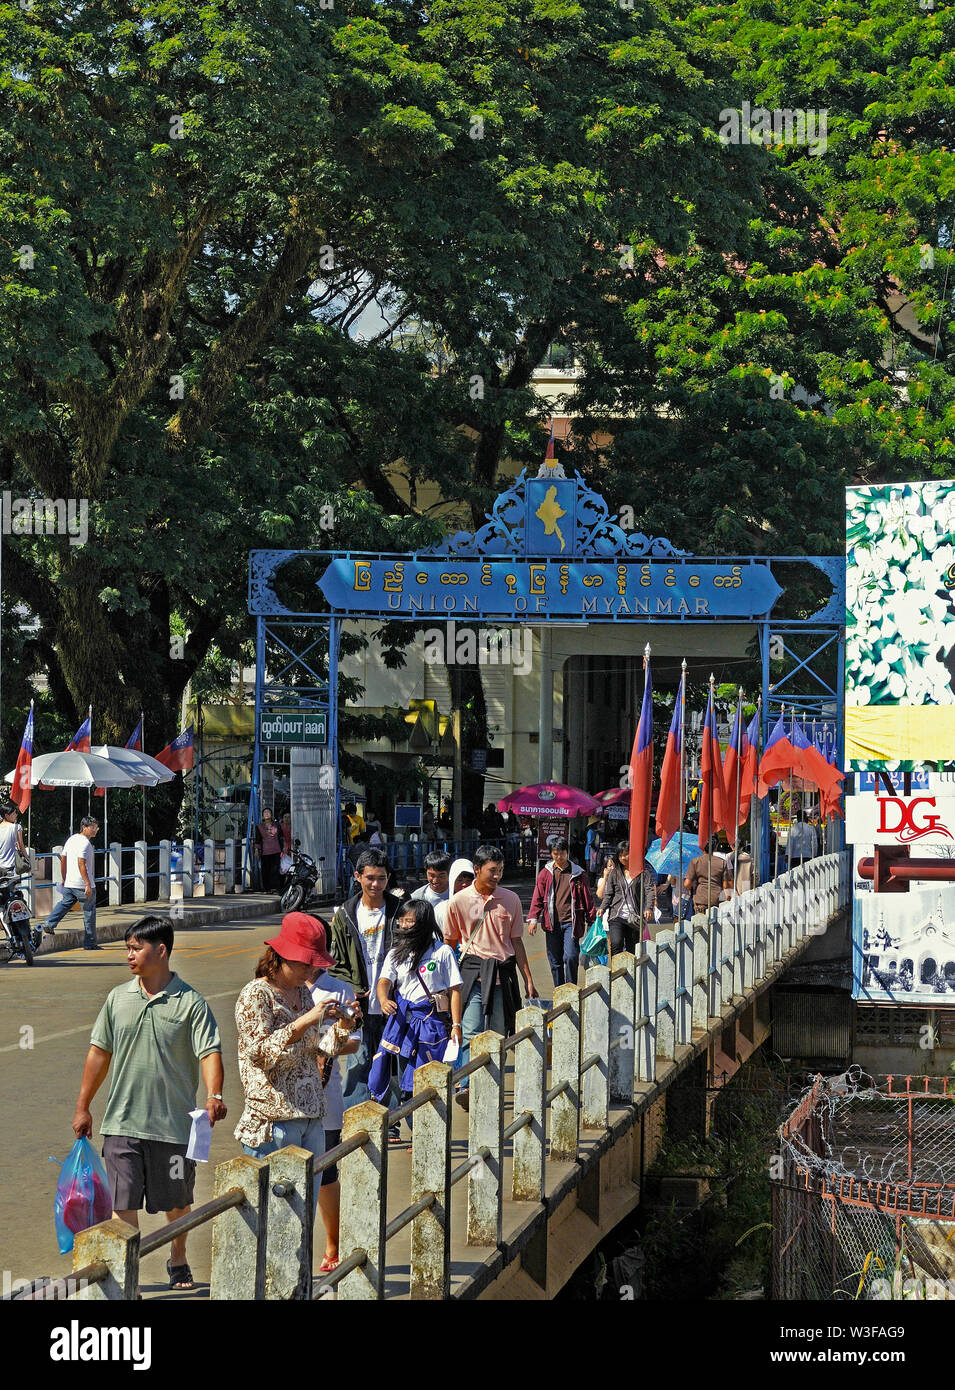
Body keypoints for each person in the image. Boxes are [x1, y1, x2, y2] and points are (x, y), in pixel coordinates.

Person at [71, 915, 227, 1290]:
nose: (129, 955)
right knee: (123, 1205)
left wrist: (214, 1094)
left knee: (176, 1200)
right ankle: (129, 1276)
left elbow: (210, 1053)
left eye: (136, 948)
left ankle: (177, 1258)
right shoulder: (117, 998)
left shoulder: (191, 1003)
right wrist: (83, 1106)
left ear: (161, 950)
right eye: (127, 948)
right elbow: (98, 1054)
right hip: (121, 1124)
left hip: (172, 1126)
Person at [234, 914, 354, 1223]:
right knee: (273, 1218)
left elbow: (318, 1049)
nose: (311, 970)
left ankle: (299, 1273)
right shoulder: (256, 995)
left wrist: (342, 1027)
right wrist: (303, 1022)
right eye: (304, 964)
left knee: (302, 1218)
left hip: (311, 1115)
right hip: (274, 1121)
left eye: (315, 964)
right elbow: (260, 1055)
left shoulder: (302, 992)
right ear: (280, 957)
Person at [444, 845, 538, 1108]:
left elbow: (516, 941)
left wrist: (528, 978)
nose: (497, 876)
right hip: (472, 973)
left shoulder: (511, 900)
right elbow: (450, 942)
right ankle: (466, 1084)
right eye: (492, 871)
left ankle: (491, 1084)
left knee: (499, 1032)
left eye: (500, 871)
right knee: (470, 1029)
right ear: (477, 869)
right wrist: (446, 982)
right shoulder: (458, 901)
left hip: (503, 974)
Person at [370, 900, 463, 1142]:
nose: (403, 925)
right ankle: (418, 1133)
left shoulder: (442, 952)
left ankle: (428, 1135)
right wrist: (383, 1000)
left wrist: (456, 1025)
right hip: (403, 1026)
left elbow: (455, 991)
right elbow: (384, 982)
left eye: (409, 921)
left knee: (428, 1079)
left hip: (432, 1025)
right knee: (406, 1081)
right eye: (402, 920)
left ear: (422, 923)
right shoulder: (395, 954)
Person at [327, 849, 405, 1108]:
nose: (375, 884)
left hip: (392, 1002)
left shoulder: (400, 912)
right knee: (357, 1063)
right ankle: (356, 1121)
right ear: (358, 876)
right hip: (357, 1005)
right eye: (370, 877)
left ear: (388, 878)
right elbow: (335, 962)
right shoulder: (344, 915)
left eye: (381, 878)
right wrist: (353, 989)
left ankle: (391, 1121)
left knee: (391, 1062)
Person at [307, 964, 362, 1273]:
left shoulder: (338, 989)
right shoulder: (276, 985)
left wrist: (324, 1048)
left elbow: (355, 1041)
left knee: (326, 1175)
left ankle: (332, 1244)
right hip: (287, 1103)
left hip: (326, 1099)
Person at [527, 837, 596, 987]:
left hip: (571, 923)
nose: (559, 857)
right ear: (551, 854)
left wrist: (592, 921)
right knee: (555, 961)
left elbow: (587, 898)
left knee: (571, 956)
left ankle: (570, 988)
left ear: (567, 852)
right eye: (555, 853)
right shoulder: (545, 873)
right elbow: (537, 896)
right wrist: (533, 918)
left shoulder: (578, 874)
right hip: (551, 923)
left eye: (562, 853)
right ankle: (559, 990)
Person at [41, 815, 100, 950]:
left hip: (70, 883)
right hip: (82, 884)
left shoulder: (71, 839)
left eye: (96, 828)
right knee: (89, 912)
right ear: (84, 827)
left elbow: (63, 859)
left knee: (64, 904)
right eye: (93, 827)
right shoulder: (85, 843)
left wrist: (64, 878)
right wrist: (87, 884)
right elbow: (81, 864)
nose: (95, 830)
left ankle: (49, 923)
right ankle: (90, 943)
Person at [595, 841, 656, 954]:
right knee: (616, 943)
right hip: (616, 915)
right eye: (620, 855)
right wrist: (602, 908)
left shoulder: (642, 873)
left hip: (635, 916)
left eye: (626, 854)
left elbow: (649, 891)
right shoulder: (614, 873)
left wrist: (648, 908)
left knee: (632, 949)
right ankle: (616, 970)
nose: (623, 857)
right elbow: (609, 894)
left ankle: (630, 971)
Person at [684, 836, 727, 915]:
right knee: (717, 925)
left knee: (701, 924)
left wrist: (693, 889)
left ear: (702, 847)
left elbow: (687, 884)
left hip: (701, 899)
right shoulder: (722, 863)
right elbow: (726, 885)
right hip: (718, 899)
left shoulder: (695, 862)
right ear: (715, 848)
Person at [435, 858, 474, 942]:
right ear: (452, 881)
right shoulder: (441, 909)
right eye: (459, 880)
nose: (464, 884)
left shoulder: (480, 908)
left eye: (469, 880)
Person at [255, 807, 283, 893]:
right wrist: (256, 850)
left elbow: (281, 837)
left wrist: (284, 847)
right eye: (265, 813)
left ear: (271, 814)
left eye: (268, 812)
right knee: (265, 871)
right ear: (263, 816)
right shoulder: (259, 826)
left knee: (275, 870)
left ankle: (276, 888)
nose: (267, 814)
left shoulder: (277, 825)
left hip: (276, 850)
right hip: (265, 852)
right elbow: (258, 840)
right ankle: (267, 889)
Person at [0, 800, 26, 874]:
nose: (16, 815)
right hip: (10, 867)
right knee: (10, 885)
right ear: (6, 815)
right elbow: (21, 846)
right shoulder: (16, 827)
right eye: (14, 813)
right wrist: (27, 858)